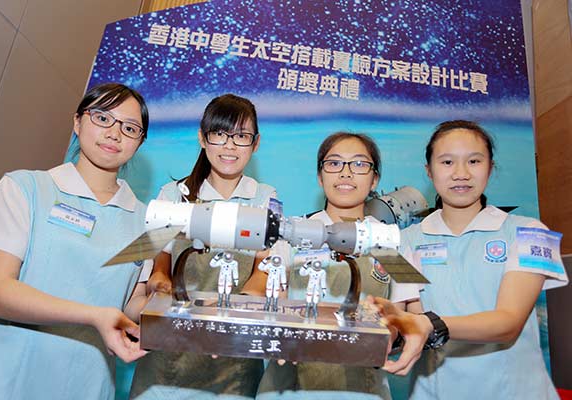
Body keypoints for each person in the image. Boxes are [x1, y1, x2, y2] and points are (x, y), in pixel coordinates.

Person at [0, 82, 150, 400]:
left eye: (130, 127)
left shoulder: (147, 222)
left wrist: (182, 309)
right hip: (2, 371)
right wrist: (93, 315)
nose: (114, 133)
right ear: (77, 121)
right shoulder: (25, 189)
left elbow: (131, 305)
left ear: (140, 142)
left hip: (86, 381)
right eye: (102, 118)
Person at [375, 120, 568, 399]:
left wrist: (429, 324)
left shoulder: (530, 232)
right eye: (447, 162)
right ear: (429, 171)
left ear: (490, 168)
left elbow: (508, 322)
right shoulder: (401, 243)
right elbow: (410, 314)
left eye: (474, 161)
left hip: (515, 390)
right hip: (436, 390)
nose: (461, 173)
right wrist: (382, 325)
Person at [127, 93, 277, 399]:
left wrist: (237, 308)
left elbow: (265, 266)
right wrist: (160, 285)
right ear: (202, 138)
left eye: (241, 136)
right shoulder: (173, 194)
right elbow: (159, 263)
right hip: (169, 356)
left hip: (233, 358)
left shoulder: (265, 197)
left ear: (256, 143)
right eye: (220, 134)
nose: (230, 145)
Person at [257, 132, 420, 400]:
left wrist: (385, 335)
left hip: (363, 388)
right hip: (287, 387)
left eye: (358, 164)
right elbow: (272, 302)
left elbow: (406, 315)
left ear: (375, 178)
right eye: (334, 163)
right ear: (320, 177)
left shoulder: (390, 240)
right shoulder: (292, 233)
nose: (345, 173)